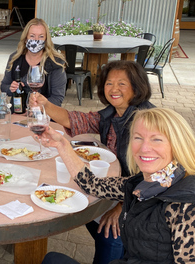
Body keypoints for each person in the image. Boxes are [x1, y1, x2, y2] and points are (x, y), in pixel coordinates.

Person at [31, 60, 155, 264]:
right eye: (109, 83)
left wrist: (121, 207)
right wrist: (45, 104)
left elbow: (152, 178)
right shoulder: (112, 114)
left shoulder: (146, 122)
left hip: (138, 201)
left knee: (110, 231)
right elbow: (75, 120)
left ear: (137, 86)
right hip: (114, 188)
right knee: (86, 208)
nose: (114, 89)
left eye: (122, 84)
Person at [39, 107, 195, 264]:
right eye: (138, 138)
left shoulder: (185, 205)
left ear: (177, 144)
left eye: (157, 139)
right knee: (52, 259)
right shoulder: (143, 184)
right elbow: (93, 185)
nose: (144, 148)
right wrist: (62, 145)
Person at [0, 18, 67, 107]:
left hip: (44, 115)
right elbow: (4, 86)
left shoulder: (56, 63)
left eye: (41, 36)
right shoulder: (15, 58)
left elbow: (57, 98)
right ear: (25, 38)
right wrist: (11, 88)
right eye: (32, 36)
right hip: (18, 112)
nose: (36, 40)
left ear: (46, 39)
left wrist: (37, 107)